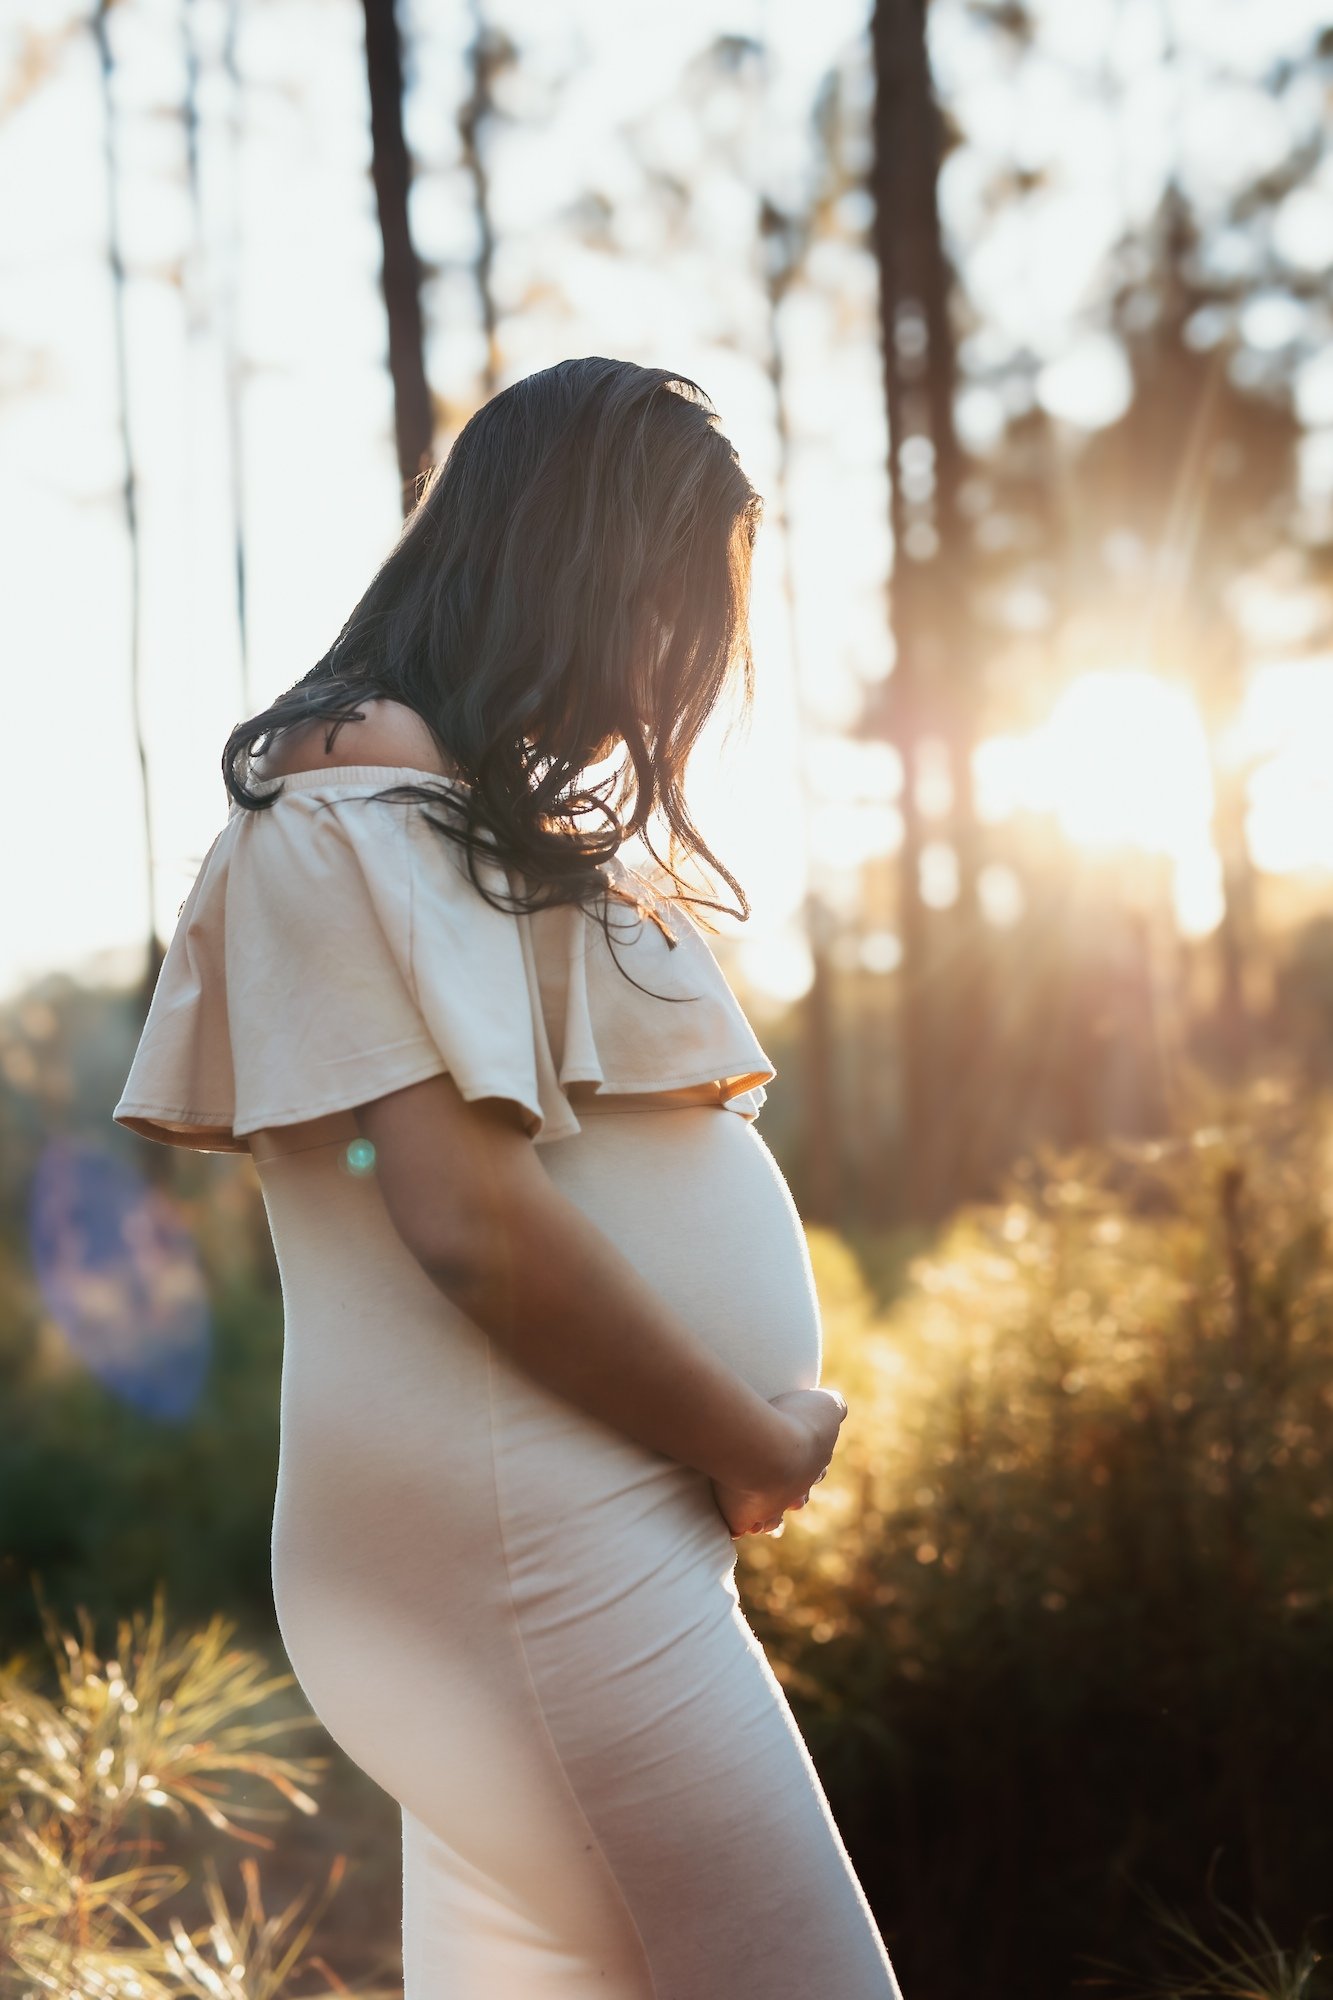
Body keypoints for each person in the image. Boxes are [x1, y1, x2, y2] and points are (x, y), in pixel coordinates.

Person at [113, 357, 905, 1999]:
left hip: (534, 1549)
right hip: (530, 1557)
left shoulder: (431, 796)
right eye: (676, 604)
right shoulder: (356, 780)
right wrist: (751, 1442)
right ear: (580, 564)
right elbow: (464, 1222)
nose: (686, 660)